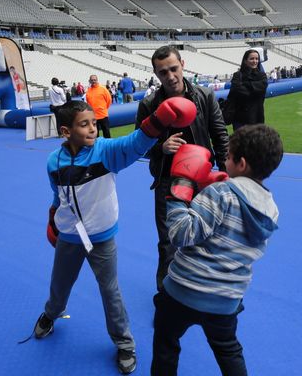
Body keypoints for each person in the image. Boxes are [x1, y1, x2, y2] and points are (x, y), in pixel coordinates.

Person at [31, 97, 197, 375]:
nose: (92, 129)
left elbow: (134, 143)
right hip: (70, 237)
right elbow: (57, 195)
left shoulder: (105, 151)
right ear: (65, 132)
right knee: (59, 285)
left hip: (102, 238)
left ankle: (124, 344)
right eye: (84, 125)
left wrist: (157, 120)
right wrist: (53, 218)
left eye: (94, 123)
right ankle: (50, 314)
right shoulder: (53, 162)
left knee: (110, 291)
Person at [151, 124, 284, 376]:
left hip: (184, 290)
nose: (224, 161)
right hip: (226, 298)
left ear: (241, 164)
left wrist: (180, 188)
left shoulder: (220, 193)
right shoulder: (270, 208)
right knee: (228, 350)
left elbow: (181, 233)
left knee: (166, 342)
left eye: (228, 157)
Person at [135, 45, 229, 292]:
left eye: (173, 69)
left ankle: (206, 287)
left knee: (208, 234)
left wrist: (228, 173)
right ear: (156, 74)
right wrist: (160, 148)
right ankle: (166, 294)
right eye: (163, 72)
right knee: (168, 242)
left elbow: (220, 135)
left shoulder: (205, 96)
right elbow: (139, 145)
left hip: (203, 179)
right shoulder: (148, 105)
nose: (170, 76)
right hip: (167, 180)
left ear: (183, 64)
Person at [225, 49, 268, 131]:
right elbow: (237, 91)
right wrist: (254, 88)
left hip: (257, 117)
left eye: (256, 59)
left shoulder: (262, 75)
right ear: (245, 61)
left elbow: (262, 88)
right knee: (241, 142)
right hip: (240, 119)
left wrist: (245, 85)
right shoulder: (237, 75)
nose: (255, 61)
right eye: (252, 59)